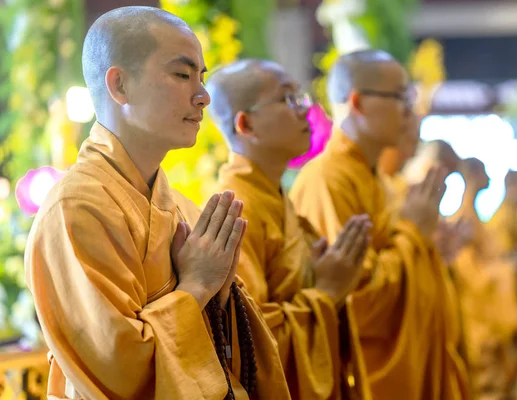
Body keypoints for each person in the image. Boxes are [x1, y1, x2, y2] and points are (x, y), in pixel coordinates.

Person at [24, 7, 289, 399]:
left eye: (201, 77)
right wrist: (197, 286)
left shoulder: (181, 206)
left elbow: (229, 350)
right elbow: (117, 368)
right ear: (120, 85)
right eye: (182, 75)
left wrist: (222, 292)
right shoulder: (75, 208)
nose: (202, 96)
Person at [290, 49, 470, 400]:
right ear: (357, 102)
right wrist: (414, 234)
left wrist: (430, 250)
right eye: (401, 97)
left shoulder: (382, 184)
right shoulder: (328, 181)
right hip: (369, 379)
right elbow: (358, 300)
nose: (410, 111)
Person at [204, 58, 372, 399]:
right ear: (246, 124)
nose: (306, 112)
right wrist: (325, 294)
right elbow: (247, 345)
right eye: (288, 100)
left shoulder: (277, 198)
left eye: (302, 98)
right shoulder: (237, 211)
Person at [449, 158, 517, 398]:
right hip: (475, 302)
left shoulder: (472, 211)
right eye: (484, 173)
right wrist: (502, 272)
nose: (490, 179)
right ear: (472, 174)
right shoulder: (463, 214)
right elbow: (466, 266)